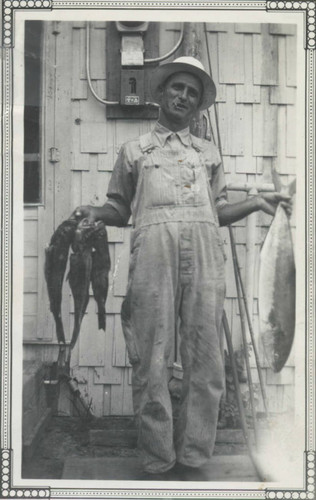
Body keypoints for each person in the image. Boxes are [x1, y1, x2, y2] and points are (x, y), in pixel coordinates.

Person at [72, 57, 291, 481]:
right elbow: (119, 207)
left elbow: (218, 211)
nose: (184, 97)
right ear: (160, 94)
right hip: (152, 257)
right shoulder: (134, 151)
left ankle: (193, 459)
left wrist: (259, 203)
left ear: (198, 106)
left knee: (205, 363)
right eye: (177, 88)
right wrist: (97, 212)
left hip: (205, 259)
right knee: (152, 359)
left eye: (192, 93)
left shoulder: (208, 154)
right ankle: (157, 460)